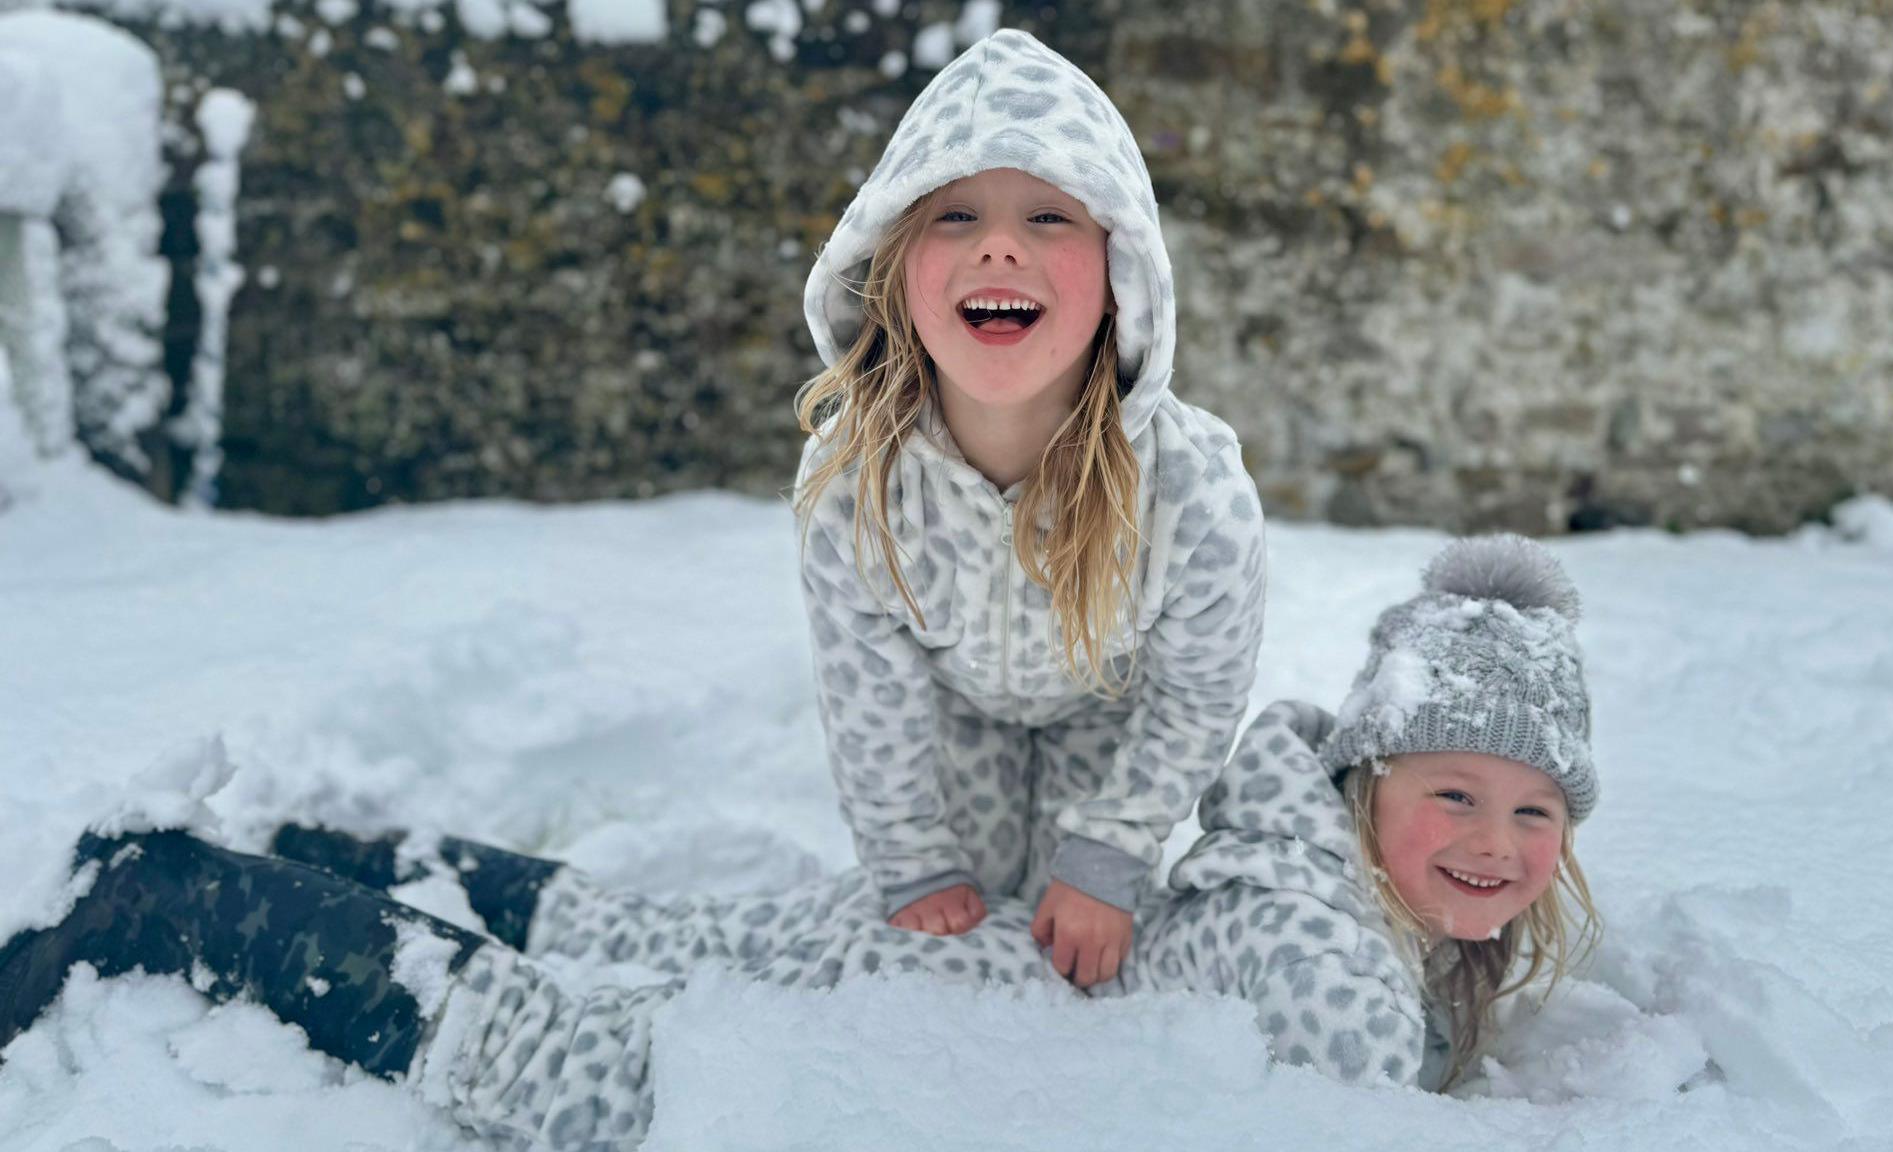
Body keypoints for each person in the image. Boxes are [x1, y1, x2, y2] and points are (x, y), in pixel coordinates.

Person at [0, 534, 1601, 1148]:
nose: (1492, 840)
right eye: (1451, 795)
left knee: (635, 938)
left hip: (971, 948)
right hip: (933, 1028)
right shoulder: (1339, 969)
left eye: (1533, 810)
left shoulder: (1311, 874)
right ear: (1366, 790)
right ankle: (163, 896)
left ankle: (305, 844)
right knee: (566, 1065)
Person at [791, 28, 1267, 990]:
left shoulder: (1193, 491)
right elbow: (869, 701)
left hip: (1109, 723)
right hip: (952, 721)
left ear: (1119, 274)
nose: (1001, 242)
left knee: (1078, 960)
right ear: (891, 265)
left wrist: (1114, 851)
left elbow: (1198, 692)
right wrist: (909, 855)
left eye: (1050, 216)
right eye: (956, 214)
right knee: (955, 944)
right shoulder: (853, 481)